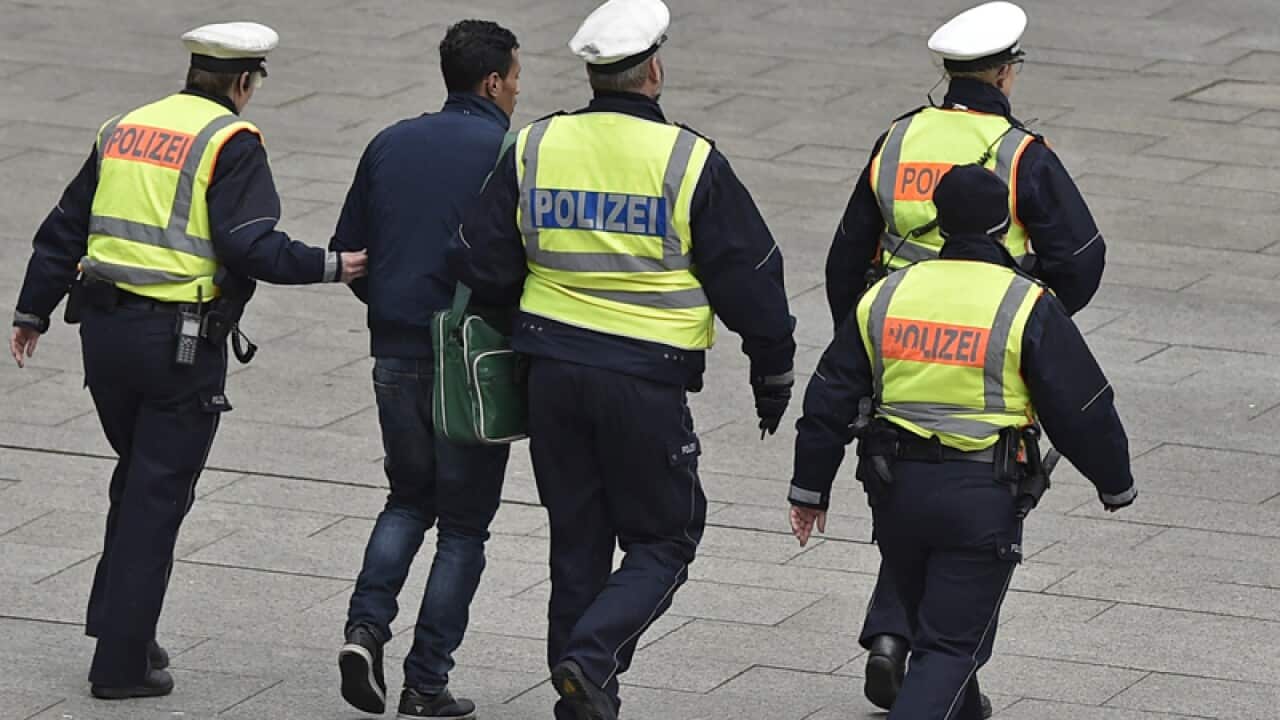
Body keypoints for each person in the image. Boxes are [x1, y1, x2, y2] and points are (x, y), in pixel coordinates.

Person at [448, 0, 796, 716]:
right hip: (643, 379)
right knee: (667, 536)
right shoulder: (688, 159)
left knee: (576, 538)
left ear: (593, 73)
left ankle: (582, 691)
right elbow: (748, 272)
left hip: (550, 373)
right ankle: (592, 656)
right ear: (654, 70)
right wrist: (773, 367)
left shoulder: (537, 144)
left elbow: (482, 257)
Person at [8, 22, 367, 700]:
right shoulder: (230, 142)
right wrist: (332, 265)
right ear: (242, 83)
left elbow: (65, 224)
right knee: (157, 495)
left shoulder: (125, 127)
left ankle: (119, 625)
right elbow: (248, 244)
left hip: (103, 336)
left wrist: (33, 312)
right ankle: (119, 667)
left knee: (137, 479)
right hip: (175, 346)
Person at [821, 2, 1110, 707]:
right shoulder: (1018, 152)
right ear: (1007, 73)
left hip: (893, 345)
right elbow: (1082, 256)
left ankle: (896, 638)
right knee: (969, 508)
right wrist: (1033, 323)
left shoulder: (897, 139)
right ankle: (924, 658)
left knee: (908, 489)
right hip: (985, 346)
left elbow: (844, 256)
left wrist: (861, 345)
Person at [788, 164, 1137, 720]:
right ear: (1004, 227)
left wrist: (809, 488)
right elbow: (1082, 406)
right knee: (950, 648)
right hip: (981, 495)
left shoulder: (887, 293)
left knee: (940, 628)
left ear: (940, 223)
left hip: (895, 492)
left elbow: (830, 393)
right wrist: (1114, 481)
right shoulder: (1023, 302)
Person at [329, 19, 520, 720]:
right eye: (516, 80)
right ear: (494, 81)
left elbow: (349, 252)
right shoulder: (508, 151)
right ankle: (426, 683)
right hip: (469, 364)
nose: (517, 93)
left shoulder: (390, 142)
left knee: (407, 499)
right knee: (464, 525)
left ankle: (363, 630)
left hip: (395, 351)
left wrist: (391, 310)